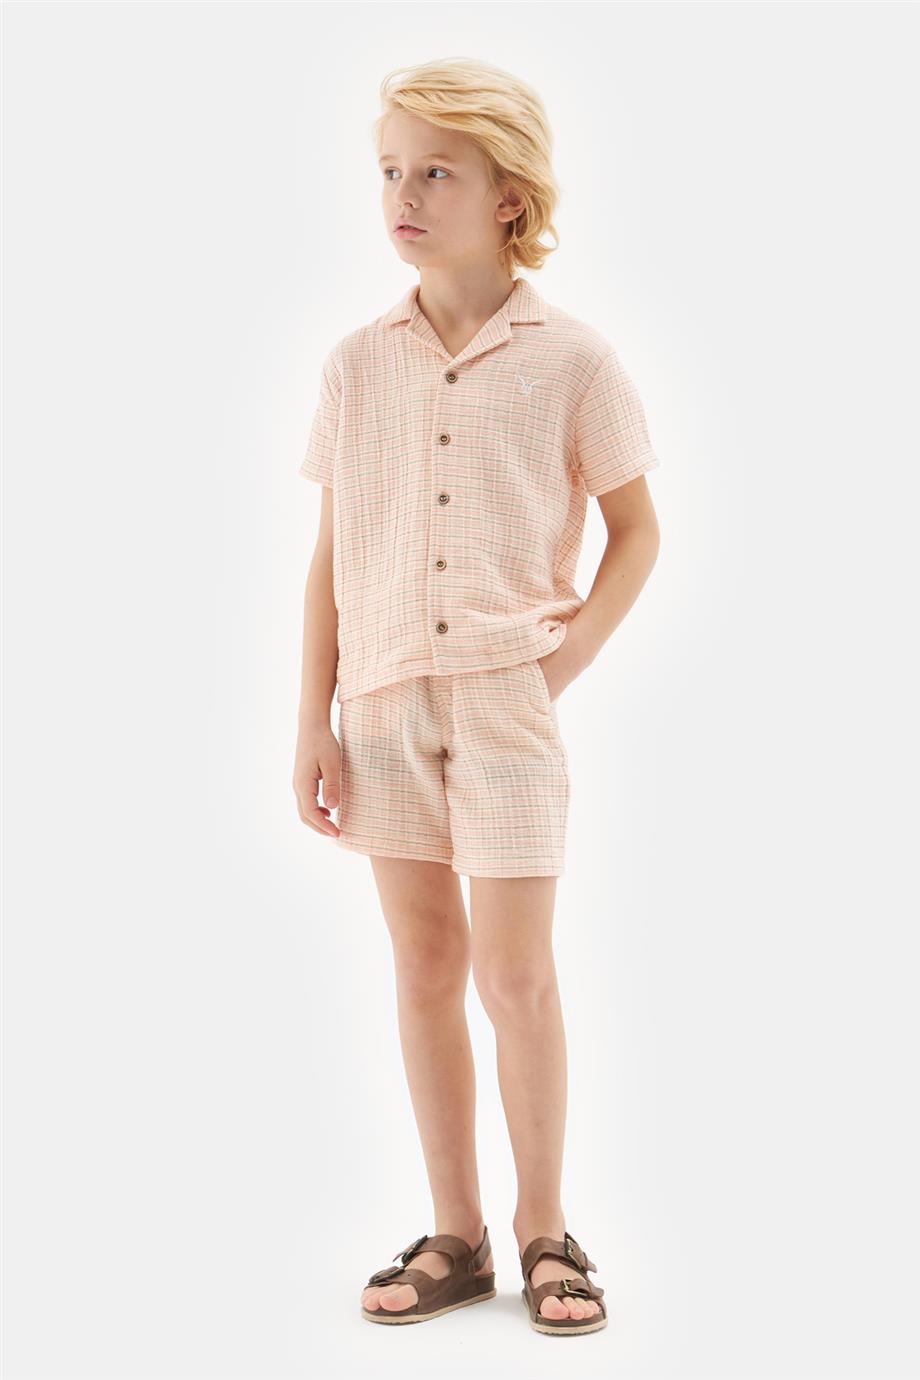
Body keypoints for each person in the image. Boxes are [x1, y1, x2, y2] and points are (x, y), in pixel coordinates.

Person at [293, 57, 661, 1337]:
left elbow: (636, 531)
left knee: (513, 976)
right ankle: (454, 1235)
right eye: (390, 171)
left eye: (435, 172)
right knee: (422, 966)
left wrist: (560, 663)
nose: (403, 195)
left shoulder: (573, 362)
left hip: (506, 705)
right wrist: (312, 719)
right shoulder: (356, 366)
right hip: (382, 704)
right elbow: (332, 555)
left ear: (508, 195)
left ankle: (544, 1228)